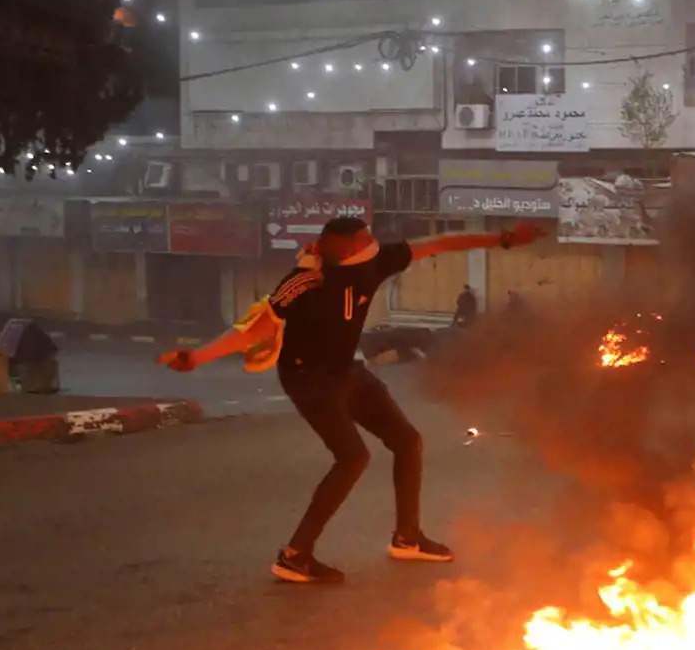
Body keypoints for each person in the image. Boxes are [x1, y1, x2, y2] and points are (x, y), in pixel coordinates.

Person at [158, 217, 543, 584]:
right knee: (353, 457)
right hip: (308, 378)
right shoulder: (305, 280)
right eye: (365, 238)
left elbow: (441, 242)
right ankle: (295, 555)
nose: (373, 242)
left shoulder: (375, 262)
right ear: (345, 249)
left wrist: (505, 238)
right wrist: (196, 358)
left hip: (347, 371)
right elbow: (253, 329)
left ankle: (407, 538)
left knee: (407, 442)